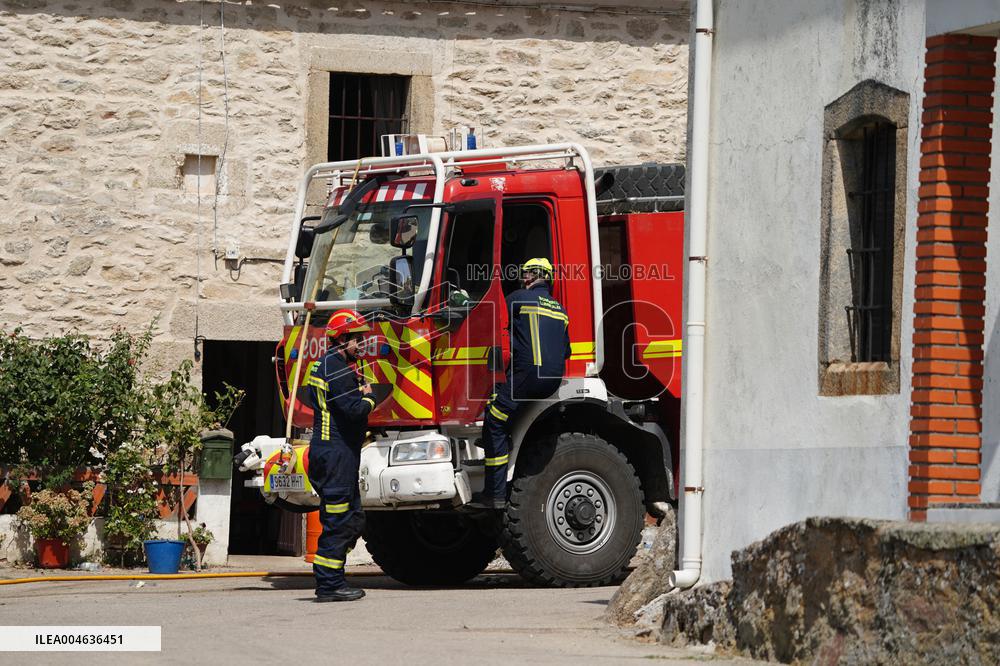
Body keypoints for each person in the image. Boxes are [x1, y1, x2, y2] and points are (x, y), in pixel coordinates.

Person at [468, 257, 571, 510]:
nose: (523, 277)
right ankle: (505, 438)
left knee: (494, 422)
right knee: (504, 409)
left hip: (527, 376)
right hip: (552, 381)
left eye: (526, 273)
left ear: (536, 275)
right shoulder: (561, 310)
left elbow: (491, 322)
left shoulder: (518, 298)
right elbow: (566, 351)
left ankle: (494, 494)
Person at [304, 308, 382, 602]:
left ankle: (333, 575)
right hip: (335, 454)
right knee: (339, 522)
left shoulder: (325, 364)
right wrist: (370, 397)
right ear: (341, 338)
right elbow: (354, 411)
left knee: (353, 519)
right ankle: (329, 584)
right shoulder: (336, 368)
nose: (361, 344)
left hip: (335, 453)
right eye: (357, 339)